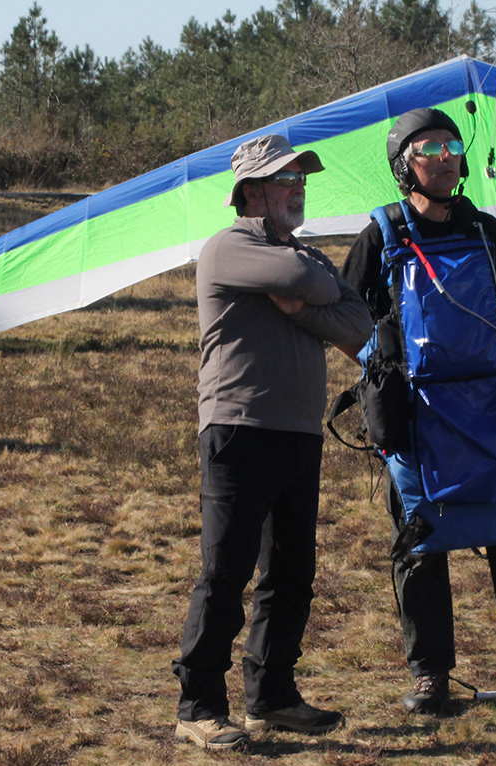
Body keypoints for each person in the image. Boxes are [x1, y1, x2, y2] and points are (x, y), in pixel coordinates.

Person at [340, 108, 496, 715]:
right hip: (416, 419)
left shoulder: (484, 229)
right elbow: (347, 315)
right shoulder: (380, 235)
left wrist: (487, 337)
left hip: (489, 411)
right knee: (420, 547)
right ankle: (431, 677)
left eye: (452, 145)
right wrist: (379, 368)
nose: (446, 157)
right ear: (404, 166)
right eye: (430, 149)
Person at [172, 134, 373, 750]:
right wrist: (313, 289)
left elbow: (360, 321)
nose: (299, 189)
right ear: (252, 192)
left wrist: (300, 310)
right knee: (225, 572)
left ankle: (272, 697)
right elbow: (300, 278)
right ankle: (198, 707)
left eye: (301, 179)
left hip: (298, 432)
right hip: (238, 430)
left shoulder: (299, 252)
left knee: (290, 574)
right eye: (287, 179)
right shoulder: (229, 247)